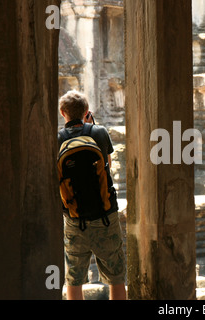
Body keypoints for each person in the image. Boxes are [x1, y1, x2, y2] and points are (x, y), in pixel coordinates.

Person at [58, 90, 126, 300]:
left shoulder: (58, 137)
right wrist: (93, 126)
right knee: (116, 277)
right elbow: (108, 165)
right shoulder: (100, 132)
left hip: (74, 218)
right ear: (86, 111)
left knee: (74, 279)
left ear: (63, 113)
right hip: (105, 214)